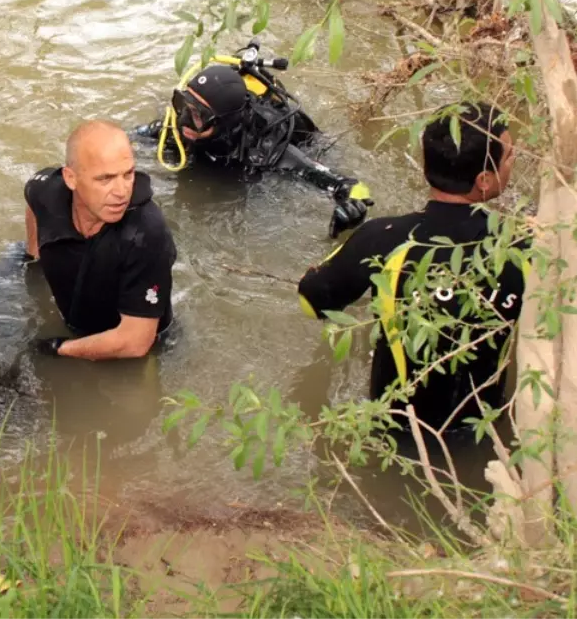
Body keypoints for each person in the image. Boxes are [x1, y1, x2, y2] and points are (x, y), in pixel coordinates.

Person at [296, 103, 523, 433]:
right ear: (484, 180)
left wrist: (344, 245)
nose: (515, 160)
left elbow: (311, 302)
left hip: (395, 429)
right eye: (510, 155)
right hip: (483, 429)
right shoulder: (523, 248)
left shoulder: (382, 239)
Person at [132, 42, 374, 238]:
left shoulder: (268, 149)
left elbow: (347, 184)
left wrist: (353, 205)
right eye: (183, 103)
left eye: (198, 115)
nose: (184, 119)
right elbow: (126, 140)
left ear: (224, 121)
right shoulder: (178, 125)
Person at [23, 120, 177, 360]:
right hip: (76, 314)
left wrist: (59, 348)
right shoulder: (46, 191)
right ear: (70, 178)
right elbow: (32, 200)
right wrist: (33, 258)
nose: (121, 192)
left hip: (135, 346)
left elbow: (135, 342)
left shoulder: (147, 234)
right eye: (105, 179)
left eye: (128, 174)